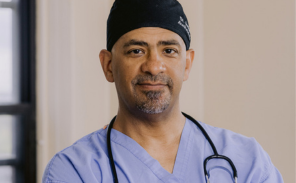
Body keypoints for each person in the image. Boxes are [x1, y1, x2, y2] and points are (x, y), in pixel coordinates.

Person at [42, 0, 284, 182]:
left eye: (169, 50)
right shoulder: (75, 169)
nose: (153, 66)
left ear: (187, 64)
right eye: (136, 50)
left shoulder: (246, 158)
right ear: (108, 66)